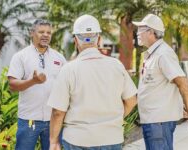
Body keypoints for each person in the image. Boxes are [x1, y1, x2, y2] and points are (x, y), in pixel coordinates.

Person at [48, 14, 138, 150]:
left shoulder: (68, 69)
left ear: (76, 41)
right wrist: (114, 120)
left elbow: (58, 112)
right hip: (111, 139)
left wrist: (53, 141)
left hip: (77, 141)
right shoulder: (116, 65)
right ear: (99, 39)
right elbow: (132, 101)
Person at [133, 14, 188, 150]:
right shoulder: (154, 53)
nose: (137, 33)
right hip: (154, 122)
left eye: (141, 29)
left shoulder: (163, 54)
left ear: (151, 32)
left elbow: (183, 83)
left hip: (159, 123)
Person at [7, 19, 66, 150]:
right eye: (41, 32)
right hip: (29, 120)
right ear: (31, 33)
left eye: (49, 32)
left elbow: (67, 86)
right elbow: (12, 85)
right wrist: (32, 81)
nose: (46, 35)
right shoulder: (21, 57)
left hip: (53, 121)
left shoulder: (60, 58)